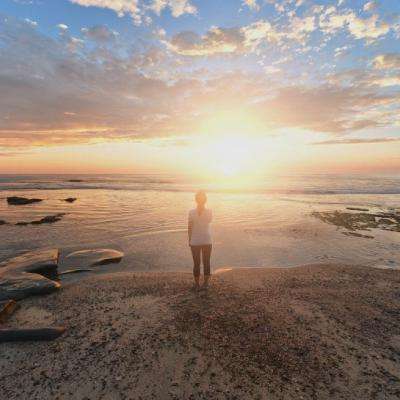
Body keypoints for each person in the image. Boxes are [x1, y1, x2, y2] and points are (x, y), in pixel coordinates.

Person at [188, 190, 212, 290]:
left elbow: (189, 227)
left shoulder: (191, 212)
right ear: (205, 200)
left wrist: (189, 240)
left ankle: (197, 284)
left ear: (196, 200)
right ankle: (205, 283)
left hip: (196, 240)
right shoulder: (209, 212)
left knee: (196, 263)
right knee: (206, 262)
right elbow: (208, 221)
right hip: (206, 239)